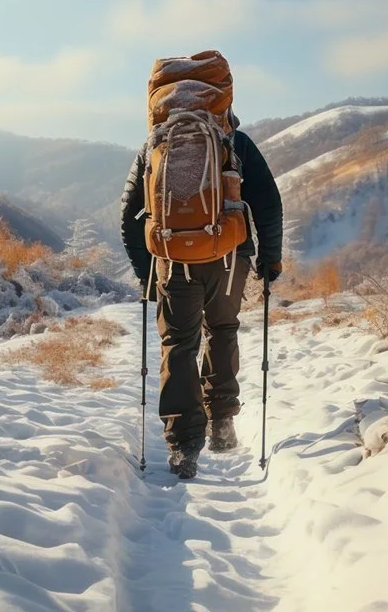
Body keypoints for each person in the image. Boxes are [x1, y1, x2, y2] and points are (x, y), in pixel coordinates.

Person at [120, 53, 283, 479]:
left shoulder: (155, 146)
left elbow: (129, 213)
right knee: (223, 330)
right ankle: (223, 422)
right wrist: (270, 259)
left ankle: (183, 445)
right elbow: (268, 203)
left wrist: (146, 271)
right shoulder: (237, 144)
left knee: (178, 343)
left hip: (173, 261)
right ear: (224, 97)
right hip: (229, 259)